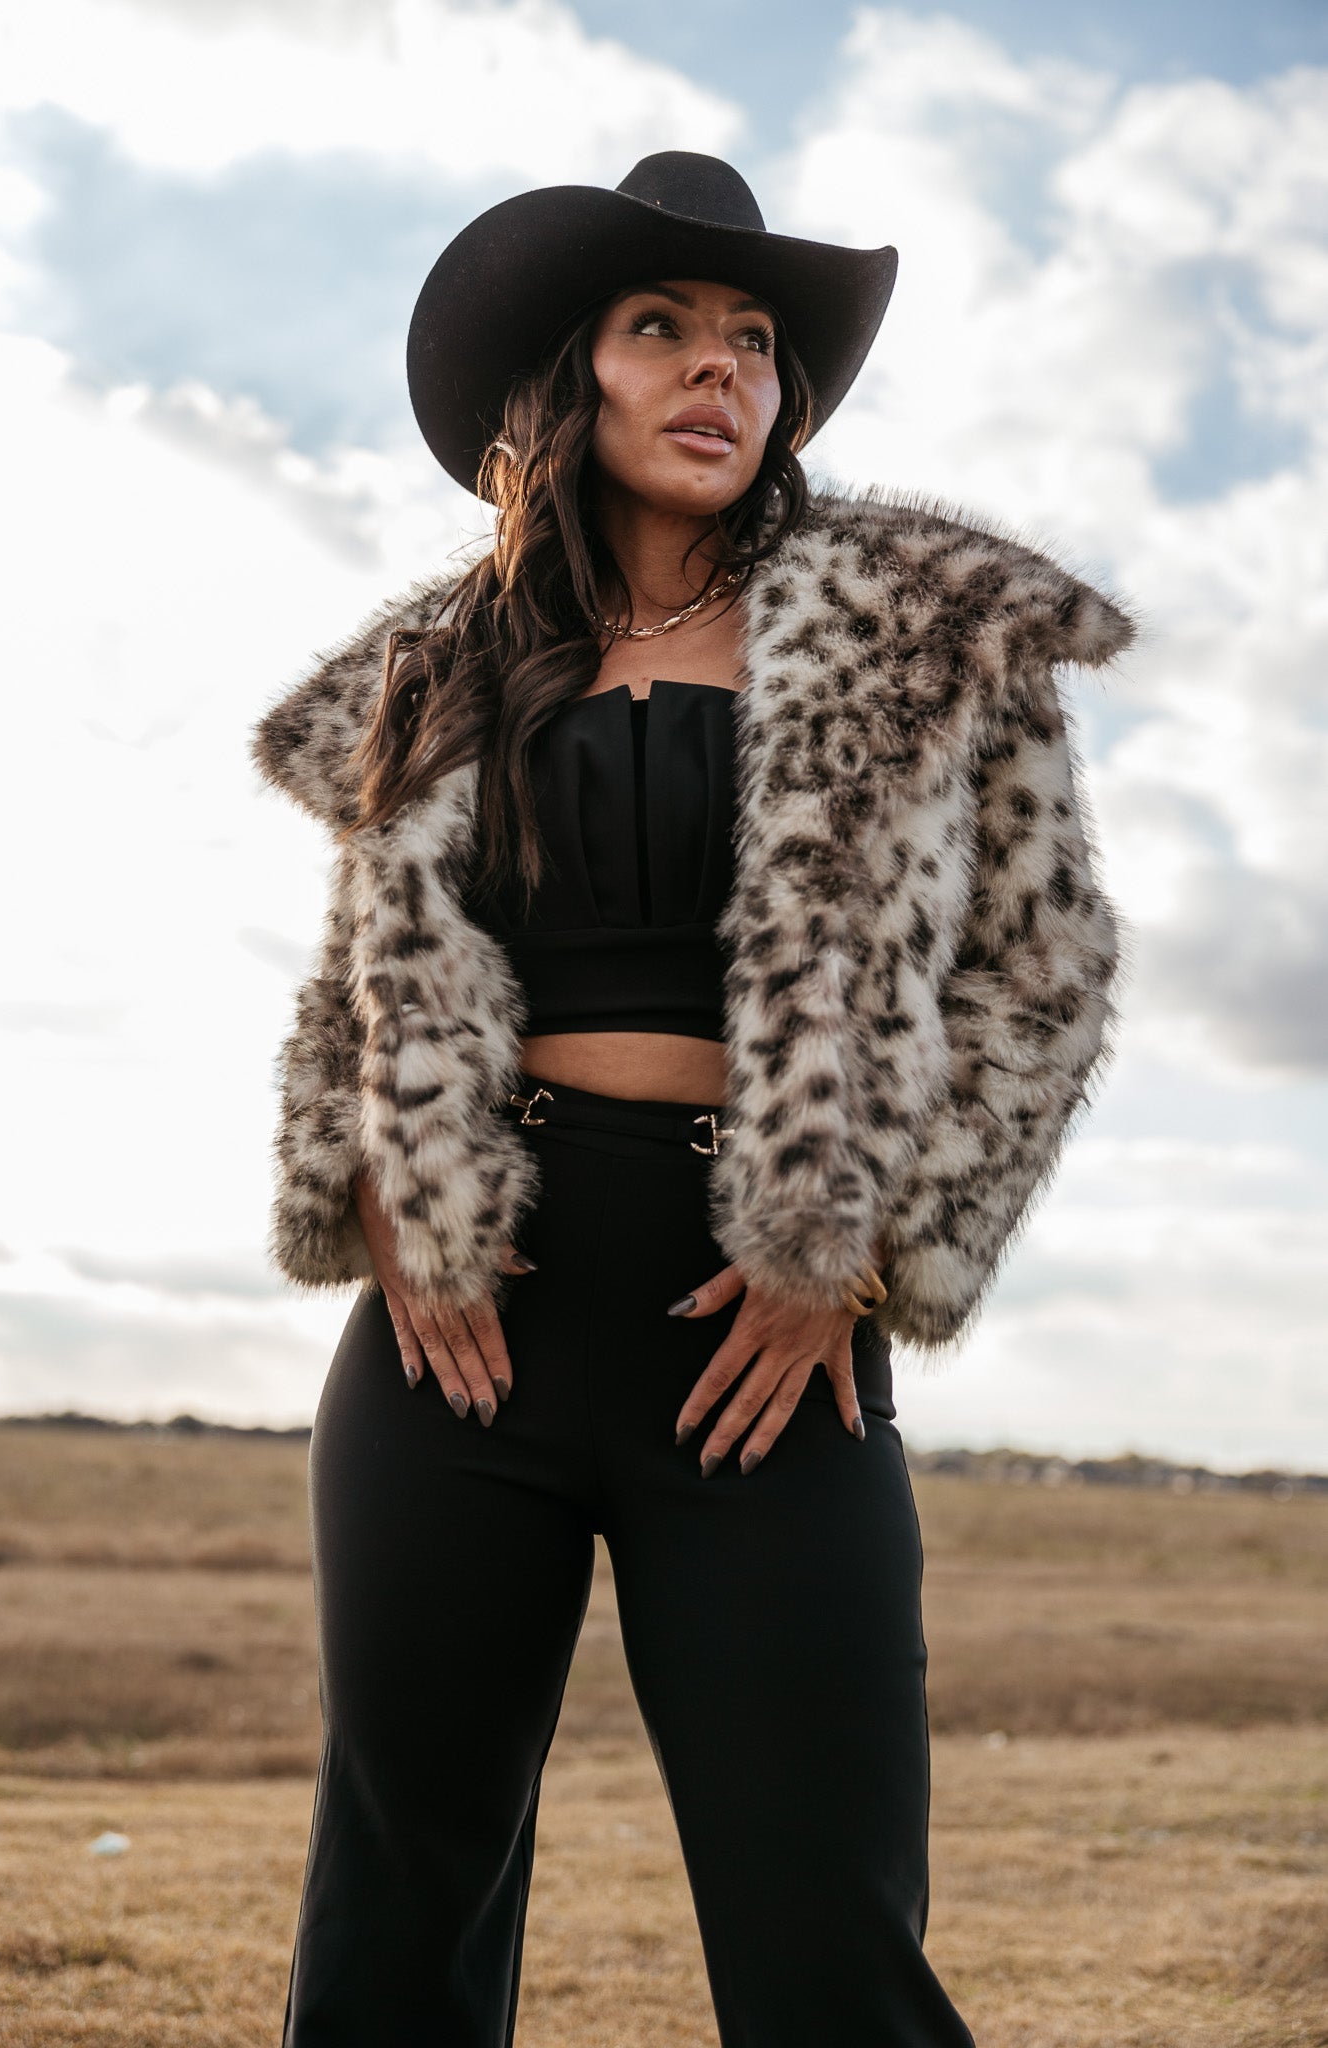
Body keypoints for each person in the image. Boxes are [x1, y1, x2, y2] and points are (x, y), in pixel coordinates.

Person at [254, 150, 1133, 2047]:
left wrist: (867, 1251)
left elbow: (1043, 978)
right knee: (402, 1897)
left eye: (753, 342)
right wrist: (387, 1184)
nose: (720, 371)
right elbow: (363, 988)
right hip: (462, 1335)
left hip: (764, 1333)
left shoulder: (924, 647)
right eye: (661, 328)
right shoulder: (444, 671)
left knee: (824, 1922)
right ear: (566, 383)